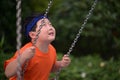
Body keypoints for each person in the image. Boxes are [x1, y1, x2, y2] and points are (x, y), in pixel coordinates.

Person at [4, 13, 71, 80]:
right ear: (33, 34)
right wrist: (23, 57)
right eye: (44, 25)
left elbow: (51, 67)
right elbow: (8, 73)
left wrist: (61, 64)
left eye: (50, 24)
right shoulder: (27, 51)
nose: (50, 27)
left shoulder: (52, 49)